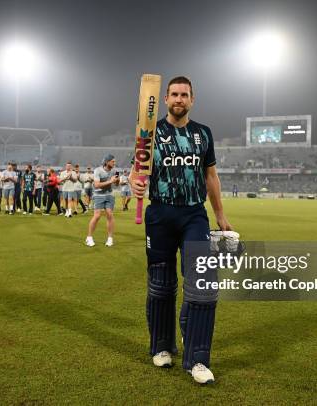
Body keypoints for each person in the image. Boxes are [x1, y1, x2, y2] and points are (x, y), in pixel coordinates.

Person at [129, 76, 233, 384]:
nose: (178, 98)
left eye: (184, 94)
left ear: (192, 99)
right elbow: (137, 171)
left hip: (193, 215)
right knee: (161, 284)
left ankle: (197, 360)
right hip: (160, 214)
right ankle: (162, 346)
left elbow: (211, 176)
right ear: (164, 99)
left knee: (203, 285)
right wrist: (133, 182)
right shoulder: (150, 133)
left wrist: (221, 215)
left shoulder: (203, 134)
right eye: (173, 94)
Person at [85, 154, 119, 247]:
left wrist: (117, 180)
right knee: (97, 216)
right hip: (98, 195)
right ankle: (89, 237)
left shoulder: (115, 171)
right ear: (107, 162)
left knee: (110, 215)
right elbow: (96, 185)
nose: (114, 163)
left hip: (109, 195)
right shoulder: (98, 170)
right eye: (113, 161)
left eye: (114, 161)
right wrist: (110, 181)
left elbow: (116, 184)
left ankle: (110, 238)